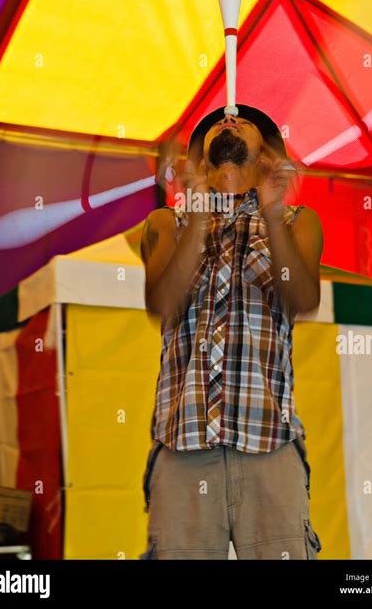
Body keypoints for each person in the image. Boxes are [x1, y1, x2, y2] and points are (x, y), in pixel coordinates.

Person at [139, 105, 323, 560]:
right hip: (182, 448)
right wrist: (199, 212)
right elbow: (161, 304)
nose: (229, 118)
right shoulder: (167, 223)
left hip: (271, 447)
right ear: (200, 159)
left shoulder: (298, 220)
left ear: (268, 154)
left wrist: (271, 209)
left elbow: (302, 299)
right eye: (218, 123)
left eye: (244, 122)